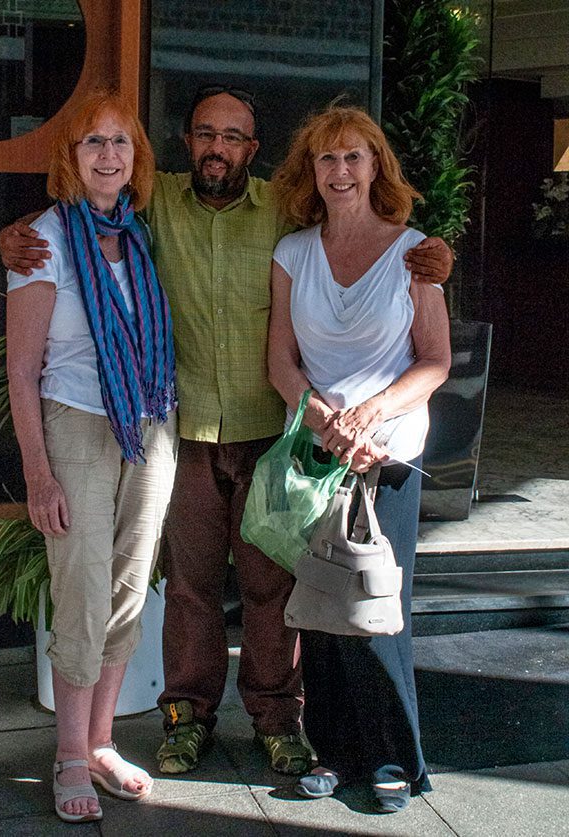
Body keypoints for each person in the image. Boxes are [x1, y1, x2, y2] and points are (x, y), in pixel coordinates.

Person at [0, 84, 453, 778]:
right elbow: (84, 206)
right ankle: (187, 717)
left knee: (273, 587)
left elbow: (360, 229)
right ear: (187, 143)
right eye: (206, 134)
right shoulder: (156, 201)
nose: (218, 147)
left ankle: (278, 720)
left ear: (253, 148)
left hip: (270, 430)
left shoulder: (283, 208)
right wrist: (14, 235)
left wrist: (436, 256)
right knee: (190, 587)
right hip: (181, 431)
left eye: (233, 136)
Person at [268, 104, 451, 812]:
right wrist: (320, 418)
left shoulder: (416, 254)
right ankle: (334, 752)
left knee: (377, 608)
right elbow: (280, 361)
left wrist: (370, 414)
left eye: (353, 157)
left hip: (388, 455)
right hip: (316, 453)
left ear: (377, 167)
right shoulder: (292, 253)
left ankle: (395, 757)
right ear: (310, 170)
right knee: (321, 607)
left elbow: (434, 361)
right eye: (327, 158)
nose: (340, 171)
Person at [6, 90, 177, 823]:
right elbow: (21, 371)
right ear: (70, 157)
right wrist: (38, 474)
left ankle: (103, 742)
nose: (109, 155)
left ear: (137, 155)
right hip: (75, 423)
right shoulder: (41, 241)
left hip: (151, 424)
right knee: (80, 588)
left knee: (129, 584)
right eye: (93, 142)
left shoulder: (141, 233)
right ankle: (70, 754)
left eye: (120, 141)